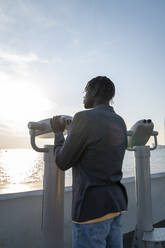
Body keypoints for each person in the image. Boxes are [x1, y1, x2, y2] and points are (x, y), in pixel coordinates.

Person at [50, 76, 128, 248]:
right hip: (116, 204)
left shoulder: (83, 118)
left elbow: (62, 162)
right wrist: (75, 133)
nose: (84, 96)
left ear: (94, 91)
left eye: (85, 91)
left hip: (91, 209)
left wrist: (59, 134)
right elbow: (99, 149)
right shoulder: (120, 121)